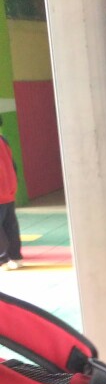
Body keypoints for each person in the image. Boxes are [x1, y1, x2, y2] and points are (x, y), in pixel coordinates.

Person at [0, 115, 22, 272]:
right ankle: (15, 257)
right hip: (9, 190)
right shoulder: (3, 140)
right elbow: (13, 165)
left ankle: (3, 259)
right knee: (10, 225)